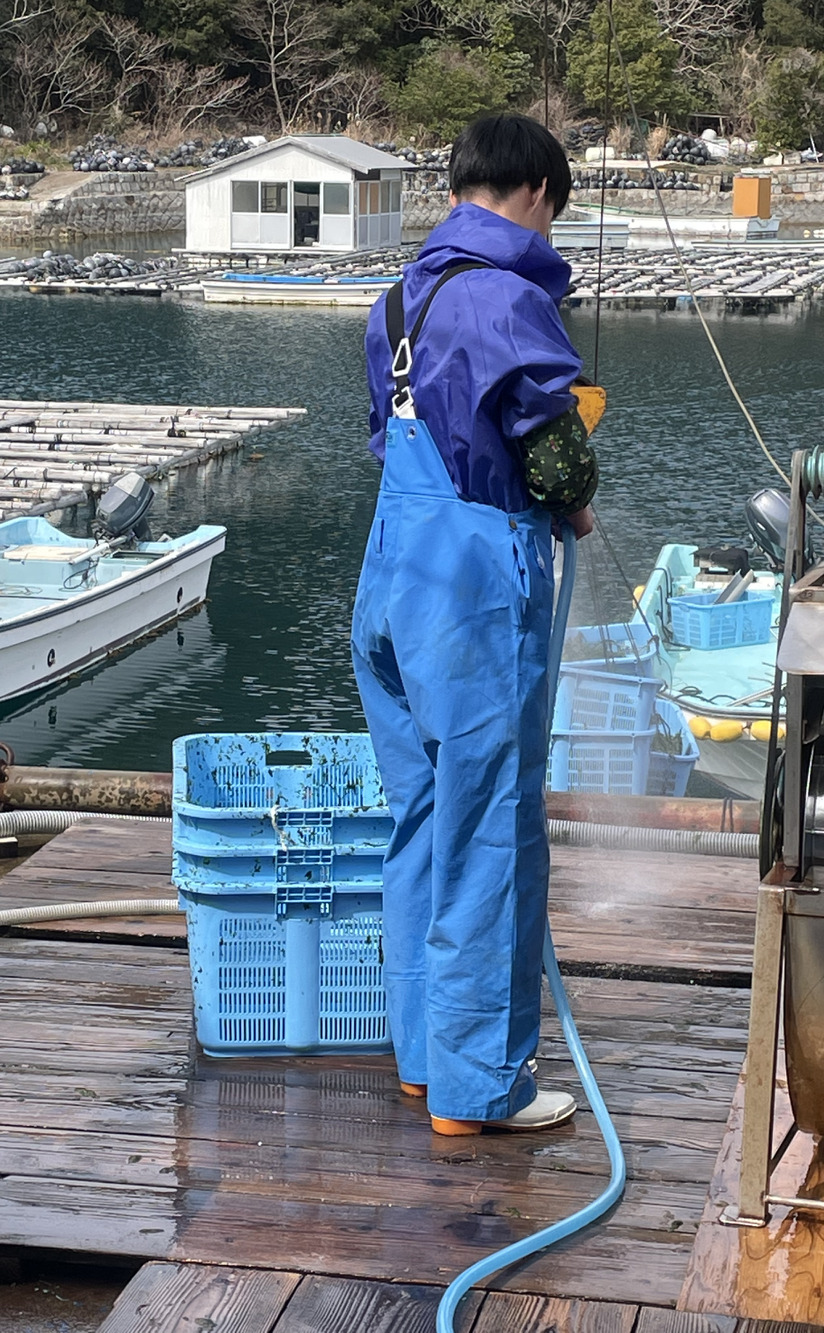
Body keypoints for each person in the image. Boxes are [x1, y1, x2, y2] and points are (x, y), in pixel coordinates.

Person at [350, 113, 600, 1137]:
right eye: (554, 208)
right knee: (490, 825)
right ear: (535, 191)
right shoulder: (504, 296)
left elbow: (392, 435)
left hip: (389, 577)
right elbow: (551, 450)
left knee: (419, 819)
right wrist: (576, 497)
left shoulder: (396, 300)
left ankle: (421, 1060)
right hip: (468, 591)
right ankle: (481, 1088)